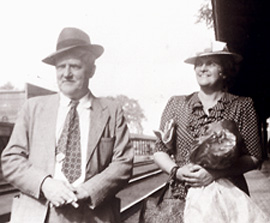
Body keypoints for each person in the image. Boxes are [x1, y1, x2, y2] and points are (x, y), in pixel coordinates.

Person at [1, 27, 133, 223]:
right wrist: (45, 184)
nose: (66, 74)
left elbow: (123, 164)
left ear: (91, 70)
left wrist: (89, 190)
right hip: (39, 215)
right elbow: (11, 159)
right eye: (61, 67)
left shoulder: (111, 112)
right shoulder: (33, 108)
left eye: (74, 66)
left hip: (91, 215)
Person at [153, 41, 264, 222]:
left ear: (225, 70)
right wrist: (177, 171)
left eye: (211, 63)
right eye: (199, 64)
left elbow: (254, 157)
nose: (202, 68)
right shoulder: (176, 104)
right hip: (181, 197)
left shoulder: (242, 105)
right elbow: (159, 151)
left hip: (228, 199)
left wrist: (214, 174)